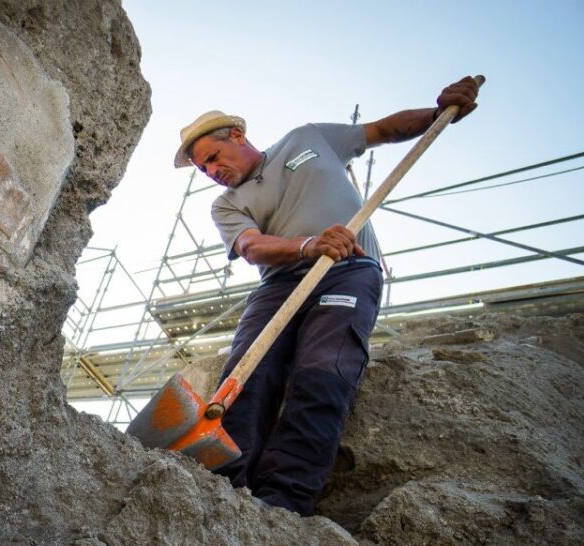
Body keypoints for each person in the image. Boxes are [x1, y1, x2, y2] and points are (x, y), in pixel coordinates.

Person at [172, 77, 480, 515]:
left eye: (213, 158)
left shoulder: (307, 138)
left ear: (237, 136)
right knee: (246, 378)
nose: (212, 172)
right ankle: (228, 493)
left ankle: (283, 503)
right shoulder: (226, 204)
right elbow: (251, 247)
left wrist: (436, 114)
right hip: (280, 285)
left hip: (348, 271)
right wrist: (308, 244)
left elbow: (383, 131)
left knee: (323, 374)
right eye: (204, 169)